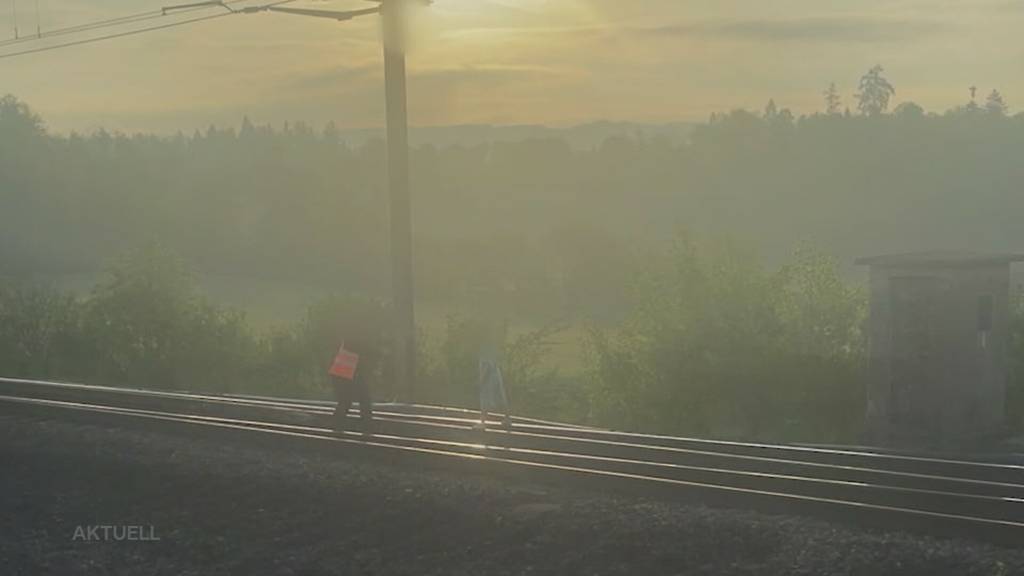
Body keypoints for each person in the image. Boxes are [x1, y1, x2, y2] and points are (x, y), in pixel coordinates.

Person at [330, 335, 378, 435]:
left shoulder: (356, 335)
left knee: (347, 400)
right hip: (349, 365)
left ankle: (337, 428)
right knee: (361, 399)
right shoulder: (360, 335)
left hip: (346, 365)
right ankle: (367, 429)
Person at [477, 342, 512, 432]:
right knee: (500, 397)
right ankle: (507, 418)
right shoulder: (492, 350)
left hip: (489, 378)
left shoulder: (484, 352)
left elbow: (487, 367)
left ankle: (482, 422)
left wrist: (481, 381)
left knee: (485, 399)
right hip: (496, 375)